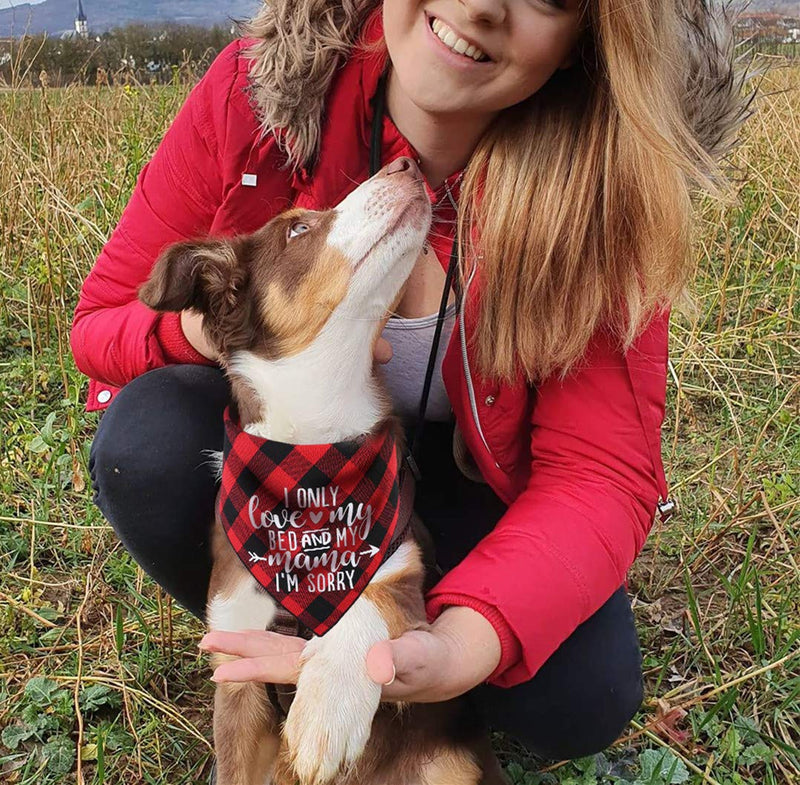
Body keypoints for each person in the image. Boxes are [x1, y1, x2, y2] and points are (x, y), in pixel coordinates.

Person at [72, 0, 746, 763]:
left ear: (580, 42)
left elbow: (599, 471)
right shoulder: (259, 95)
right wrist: (210, 324)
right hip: (285, 464)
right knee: (150, 442)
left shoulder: (602, 191)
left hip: (473, 488)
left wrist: (459, 644)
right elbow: (99, 323)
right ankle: (277, 636)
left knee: (582, 691)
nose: (483, 5)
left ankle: (390, 667)